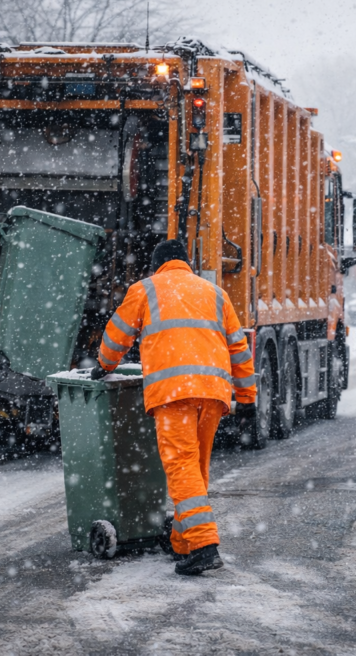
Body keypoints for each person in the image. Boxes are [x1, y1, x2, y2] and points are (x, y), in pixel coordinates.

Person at [91, 239, 257, 575]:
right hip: (213, 393)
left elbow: (118, 334)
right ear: (186, 264)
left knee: (181, 466)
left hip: (173, 393)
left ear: (157, 266)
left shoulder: (145, 289)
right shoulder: (215, 293)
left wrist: (104, 365)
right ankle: (183, 543)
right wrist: (248, 399)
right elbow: (239, 349)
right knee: (196, 469)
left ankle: (204, 545)